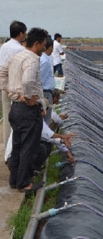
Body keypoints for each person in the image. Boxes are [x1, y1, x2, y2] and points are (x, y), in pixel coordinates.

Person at [0, 27, 48, 192]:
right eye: (43, 44)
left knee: (18, 145)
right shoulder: (33, 59)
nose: (44, 47)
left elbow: (2, 72)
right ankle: (24, 183)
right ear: (36, 44)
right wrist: (28, 97)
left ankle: (14, 180)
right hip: (27, 110)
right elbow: (28, 81)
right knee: (29, 147)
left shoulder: (17, 56)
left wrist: (9, 90)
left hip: (16, 108)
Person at [0, 20, 27, 146]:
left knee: (6, 117)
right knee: (17, 119)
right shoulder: (19, 49)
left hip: (4, 85)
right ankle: (13, 150)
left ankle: (7, 147)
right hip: (15, 87)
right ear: (21, 33)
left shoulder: (4, 47)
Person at [40, 36, 55, 124]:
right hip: (45, 93)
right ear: (50, 47)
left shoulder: (44, 58)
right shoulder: (45, 61)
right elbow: (41, 80)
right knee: (46, 120)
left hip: (45, 92)